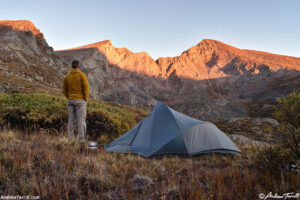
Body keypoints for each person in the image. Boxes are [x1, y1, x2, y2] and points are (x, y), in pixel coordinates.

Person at [63, 60, 89, 149]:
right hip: (80, 100)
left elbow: (64, 90)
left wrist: (69, 97)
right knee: (80, 120)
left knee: (71, 119)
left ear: (71, 66)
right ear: (79, 66)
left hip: (71, 100)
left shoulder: (67, 77)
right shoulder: (82, 75)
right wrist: (85, 99)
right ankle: (81, 140)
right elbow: (86, 88)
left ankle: (71, 139)